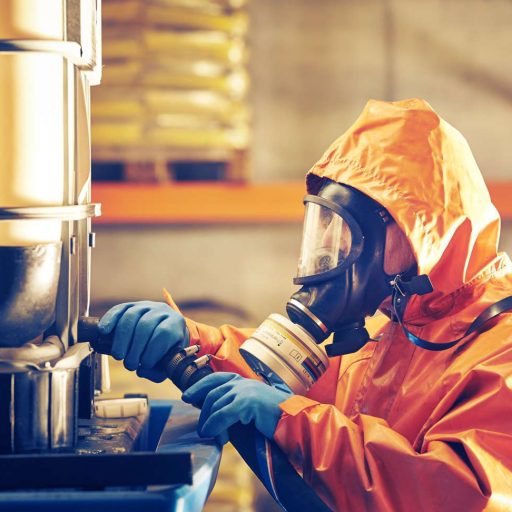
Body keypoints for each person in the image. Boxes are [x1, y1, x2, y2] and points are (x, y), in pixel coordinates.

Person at [99, 98, 512, 511]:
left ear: (418, 235)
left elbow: (458, 495)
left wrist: (292, 421)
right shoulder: (405, 328)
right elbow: (321, 390)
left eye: (349, 238)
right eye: (325, 234)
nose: (332, 261)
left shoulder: (500, 355)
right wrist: (196, 344)